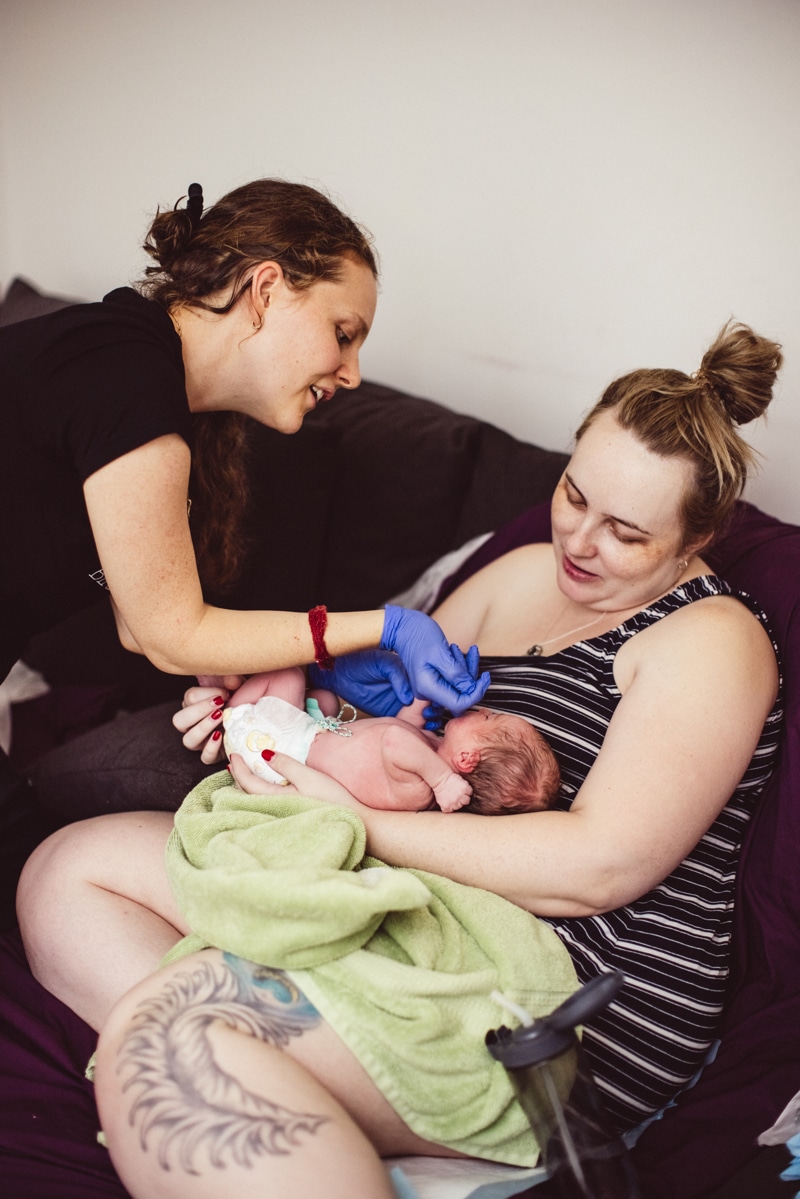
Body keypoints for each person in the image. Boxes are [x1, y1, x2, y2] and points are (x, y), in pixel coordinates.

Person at [17, 320, 784, 1198]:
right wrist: (282, 699)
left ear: (697, 538)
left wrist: (357, 821)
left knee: (168, 1038)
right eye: (574, 494)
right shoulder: (523, 572)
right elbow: (380, 715)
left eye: (625, 533)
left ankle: (300, 1078)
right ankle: (331, 1108)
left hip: (557, 981)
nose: (579, 541)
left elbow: (596, 866)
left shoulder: (712, 639)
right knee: (64, 874)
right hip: (413, 897)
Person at [0, 178, 488, 921]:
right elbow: (170, 630)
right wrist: (387, 626)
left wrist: (286, 676)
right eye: (344, 332)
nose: (351, 372)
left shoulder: (162, 403)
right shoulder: (122, 368)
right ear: (265, 290)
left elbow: (147, 622)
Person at [221, 667, 561, 814]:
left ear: (467, 759)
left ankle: (229, 710)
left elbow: (395, 739)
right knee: (323, 698)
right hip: (309, 735)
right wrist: (421, 699)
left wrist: (443, 781)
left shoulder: (424, 785)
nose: (484, 710)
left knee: (289, 675)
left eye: (490, 718)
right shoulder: (427, 752)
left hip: (282, 748)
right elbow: (399, 726)